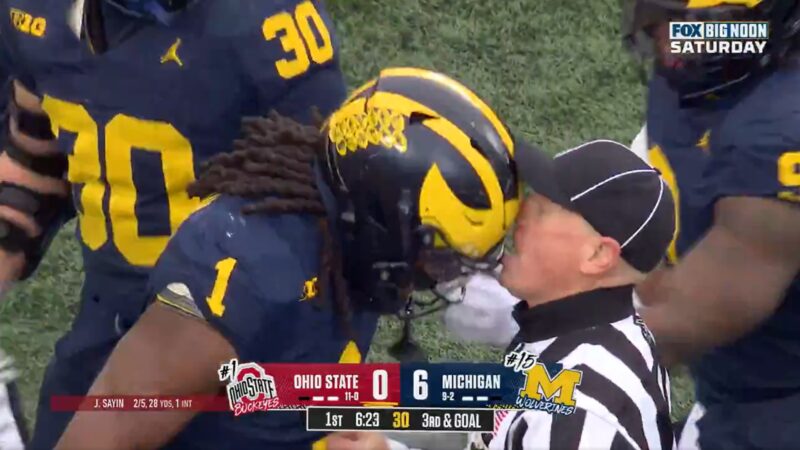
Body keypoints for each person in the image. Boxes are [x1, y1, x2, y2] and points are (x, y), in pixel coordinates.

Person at [54, 67, 521, 449]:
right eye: (438, 255)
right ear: (378, 220)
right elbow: (99, 440)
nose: (444, 277)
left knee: (507, 415)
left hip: (307, 425)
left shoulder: (343, 246)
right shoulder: (242, 276)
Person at [0, 0, 347, 447]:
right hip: (111, 318)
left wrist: (336, 390)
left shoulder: (265, 26)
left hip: (237, 334)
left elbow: (333, 218)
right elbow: (33, 162)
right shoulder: (32, 14)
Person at [622, 0, 800, 447]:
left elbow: (685, 321)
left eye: (687, 27)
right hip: (736, 382)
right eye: (658, 18)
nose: (665, 37)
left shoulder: (781, 132)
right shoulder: (702, 73)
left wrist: (531, 334)